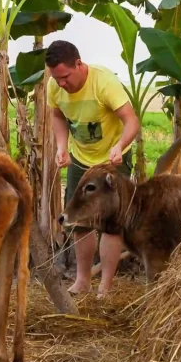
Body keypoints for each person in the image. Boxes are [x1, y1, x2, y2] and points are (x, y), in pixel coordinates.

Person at [45, 39, 141, 298]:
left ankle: (105, 286)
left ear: (79, 64)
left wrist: (120, 146)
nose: (61, 83)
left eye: (65, 76)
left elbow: (132, 121)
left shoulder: (104, 82)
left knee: (111, 224)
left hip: (112, 160)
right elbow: (57, 116)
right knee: (79, 221)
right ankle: (82, 280)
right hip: (80, 160)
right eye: (56, 78)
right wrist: (62, 146)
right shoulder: (54, 86)